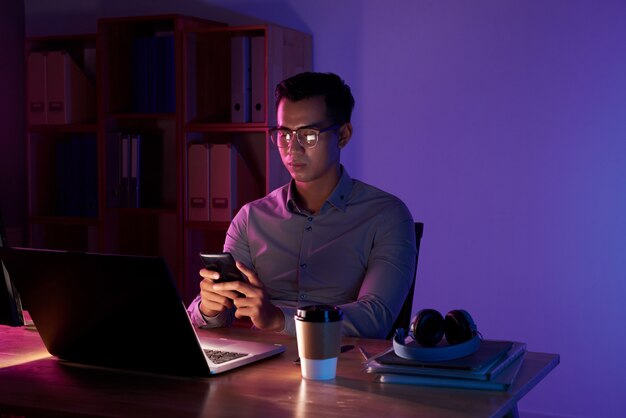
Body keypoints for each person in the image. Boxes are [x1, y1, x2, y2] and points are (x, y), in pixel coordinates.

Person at [187, 72, 416, 338]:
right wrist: (209, 308)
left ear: (343, 135)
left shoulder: (386, 216)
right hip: (261, 365)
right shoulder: (251, 218)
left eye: (308, 136)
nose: (293, 149)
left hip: (343, 367)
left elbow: (375, 318)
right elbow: (215, 316)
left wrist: (278, 320)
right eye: (284, 135)